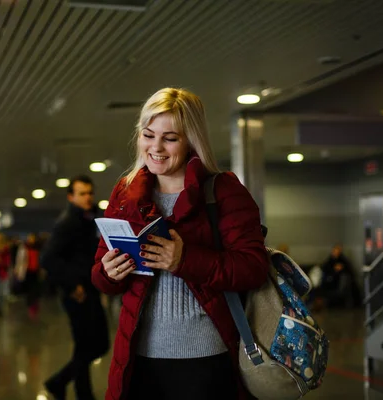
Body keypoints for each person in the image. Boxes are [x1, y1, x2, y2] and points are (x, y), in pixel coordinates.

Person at [91, 88, 269, 400]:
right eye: (148, 135)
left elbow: (253, 268)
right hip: (139, 359)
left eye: (170, 138)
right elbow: (101, 276)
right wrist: (108, 272)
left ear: (191, 140)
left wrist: (185, 260)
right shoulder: (126, 192)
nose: (155, 147)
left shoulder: (222, 191)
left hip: (204, 360)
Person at [41, 175, 109, 400]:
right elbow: (48, 259)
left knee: (94, 345)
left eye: (90, 192)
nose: (88, 197)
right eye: (82, 193)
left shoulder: (86, 219)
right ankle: (70, 388)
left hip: (88, 290)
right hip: (78, 293)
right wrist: (72, 285)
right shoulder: (68, 222)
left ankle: (62, 383)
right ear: (71, 197)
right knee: (88, 345)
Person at [317, 244, 361, 308]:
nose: (337, 253)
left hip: (339, 281)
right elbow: (325, 268)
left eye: (338, 251)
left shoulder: (342, 260)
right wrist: (334, 270)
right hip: (330, 280)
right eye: (335, 251)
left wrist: (340, 268)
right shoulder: (330, 260)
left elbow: (349, 270)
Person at [15, 233, 43, 319]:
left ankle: (33, 304)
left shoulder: (38, 248)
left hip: (36, 271)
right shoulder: (24, 247)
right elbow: (19, 259)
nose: (30, 239)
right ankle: (30, 305)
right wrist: (17, 269)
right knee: (29, 289)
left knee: (35, 289)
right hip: (27, 271)